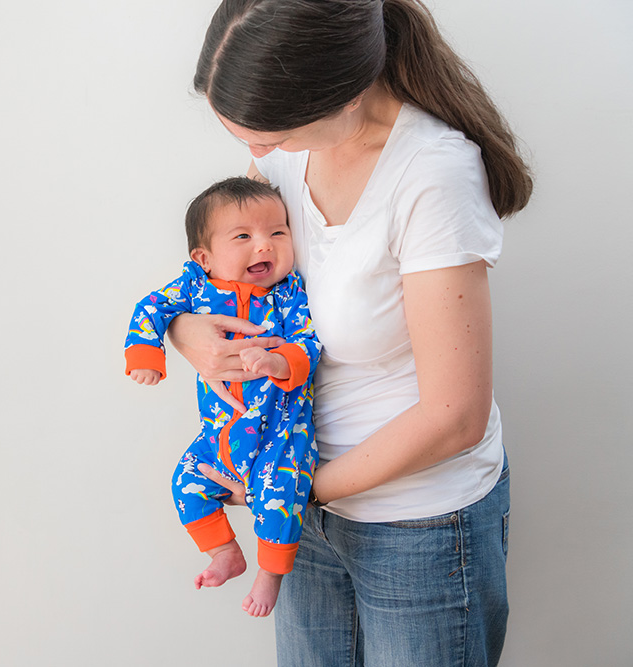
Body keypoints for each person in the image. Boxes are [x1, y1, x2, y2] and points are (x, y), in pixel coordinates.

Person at [166, 0, 532, 664]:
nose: (255, 154)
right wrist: (189, 334)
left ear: (336, 93)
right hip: (304, 516)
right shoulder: (283, 162)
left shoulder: (432, 174)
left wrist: (296, 484)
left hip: (417, 523)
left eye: (266, 135)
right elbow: (221, 279)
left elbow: (456, 415)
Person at [124, 177, 322, 617]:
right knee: (185, 484)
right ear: (204, 257)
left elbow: (309, 341)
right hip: (218, 438)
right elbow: (151, 309)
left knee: (283, 494)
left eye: (278, 233)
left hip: (281, 437)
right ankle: (224, 552)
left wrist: (279, 362)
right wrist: (146, 355)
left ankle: (270, 576)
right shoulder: (195, 288)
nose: (265, 247)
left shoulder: (288, 294)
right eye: (244, 237)